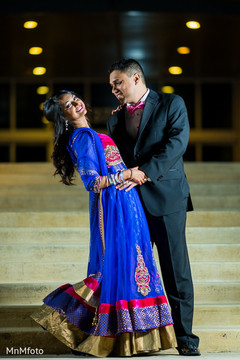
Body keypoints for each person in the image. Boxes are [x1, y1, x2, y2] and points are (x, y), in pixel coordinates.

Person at [31, 90, 177, 357]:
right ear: (64, 116)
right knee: (118, 266)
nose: (76, 104)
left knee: (132, 265)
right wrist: (129, 173)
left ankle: (131, 337)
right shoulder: (83, 137)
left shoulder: (92, 134)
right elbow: (93, 182)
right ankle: (111, 335)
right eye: (69, 105)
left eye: (76, 98)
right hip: (113, 207)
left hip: (126, 204)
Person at [107, 59, 200, 356]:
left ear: (136, 78)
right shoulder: (115, 118)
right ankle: (141, 336)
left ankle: (186, 338)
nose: (113, 90)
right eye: (111, 85)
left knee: (175, 269)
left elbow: (176, 144)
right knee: (135, 269)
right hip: (132, 204)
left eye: (117, 83)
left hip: (167, 198)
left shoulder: (172, 103)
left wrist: (143, 172)